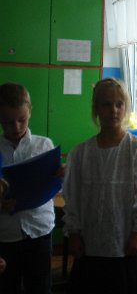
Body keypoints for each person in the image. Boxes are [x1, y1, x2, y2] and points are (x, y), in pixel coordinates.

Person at [62, 78, 137, 294]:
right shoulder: (81, 153)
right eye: (106, 104)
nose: (113, 110)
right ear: (96, 109)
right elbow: (73, 197)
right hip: (91, 242)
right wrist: (74, 233)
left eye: (119, 104)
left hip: (126, 241)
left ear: (125, 108)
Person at [0, 82, 57, 294]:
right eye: (7, 122)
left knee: (40, 286)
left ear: (30, 112)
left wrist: (60, 176)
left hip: (39, 230)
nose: (16, 127)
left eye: (21, 120)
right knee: (8, 286)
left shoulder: (44, 145)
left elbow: (53, 187)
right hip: (5, 234)